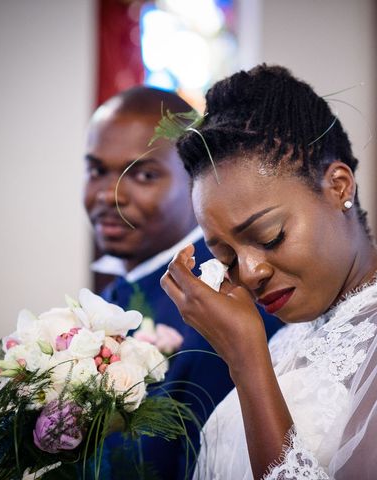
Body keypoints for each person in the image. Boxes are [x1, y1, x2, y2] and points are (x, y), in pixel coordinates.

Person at [160, 65, 377, 479]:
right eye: (226, 256)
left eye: (270, 236)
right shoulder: (288, 338)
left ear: (339, 186)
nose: (249, 273)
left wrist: (247, 362)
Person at [83, 85, 282, 479]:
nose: (109, 194)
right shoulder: (117, 291)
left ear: (198, 182)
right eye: (96, 170)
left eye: (142, 174)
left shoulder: (221, 301)